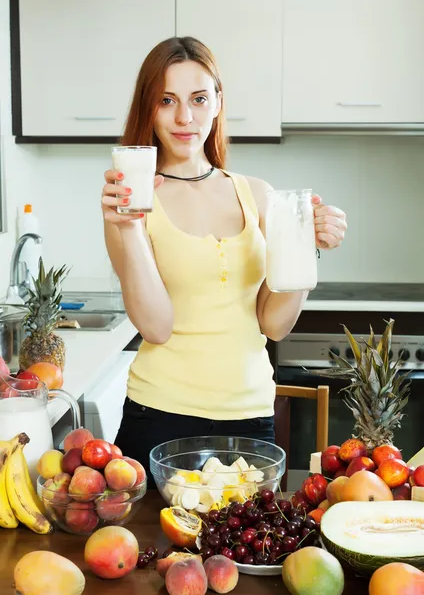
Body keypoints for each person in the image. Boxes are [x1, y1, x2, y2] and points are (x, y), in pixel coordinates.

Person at [101, 37, 347, 484]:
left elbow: (273, 324)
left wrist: (306, 249)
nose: (184, 117)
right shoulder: (129, 205)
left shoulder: (256, 194)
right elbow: (154, 327)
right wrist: (130, 228)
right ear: (149, 109)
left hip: (250, 418)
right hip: (159, 416)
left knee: (242, 551)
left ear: (217, 102)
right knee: (155, 554)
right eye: (166, 101)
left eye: (198, 99)